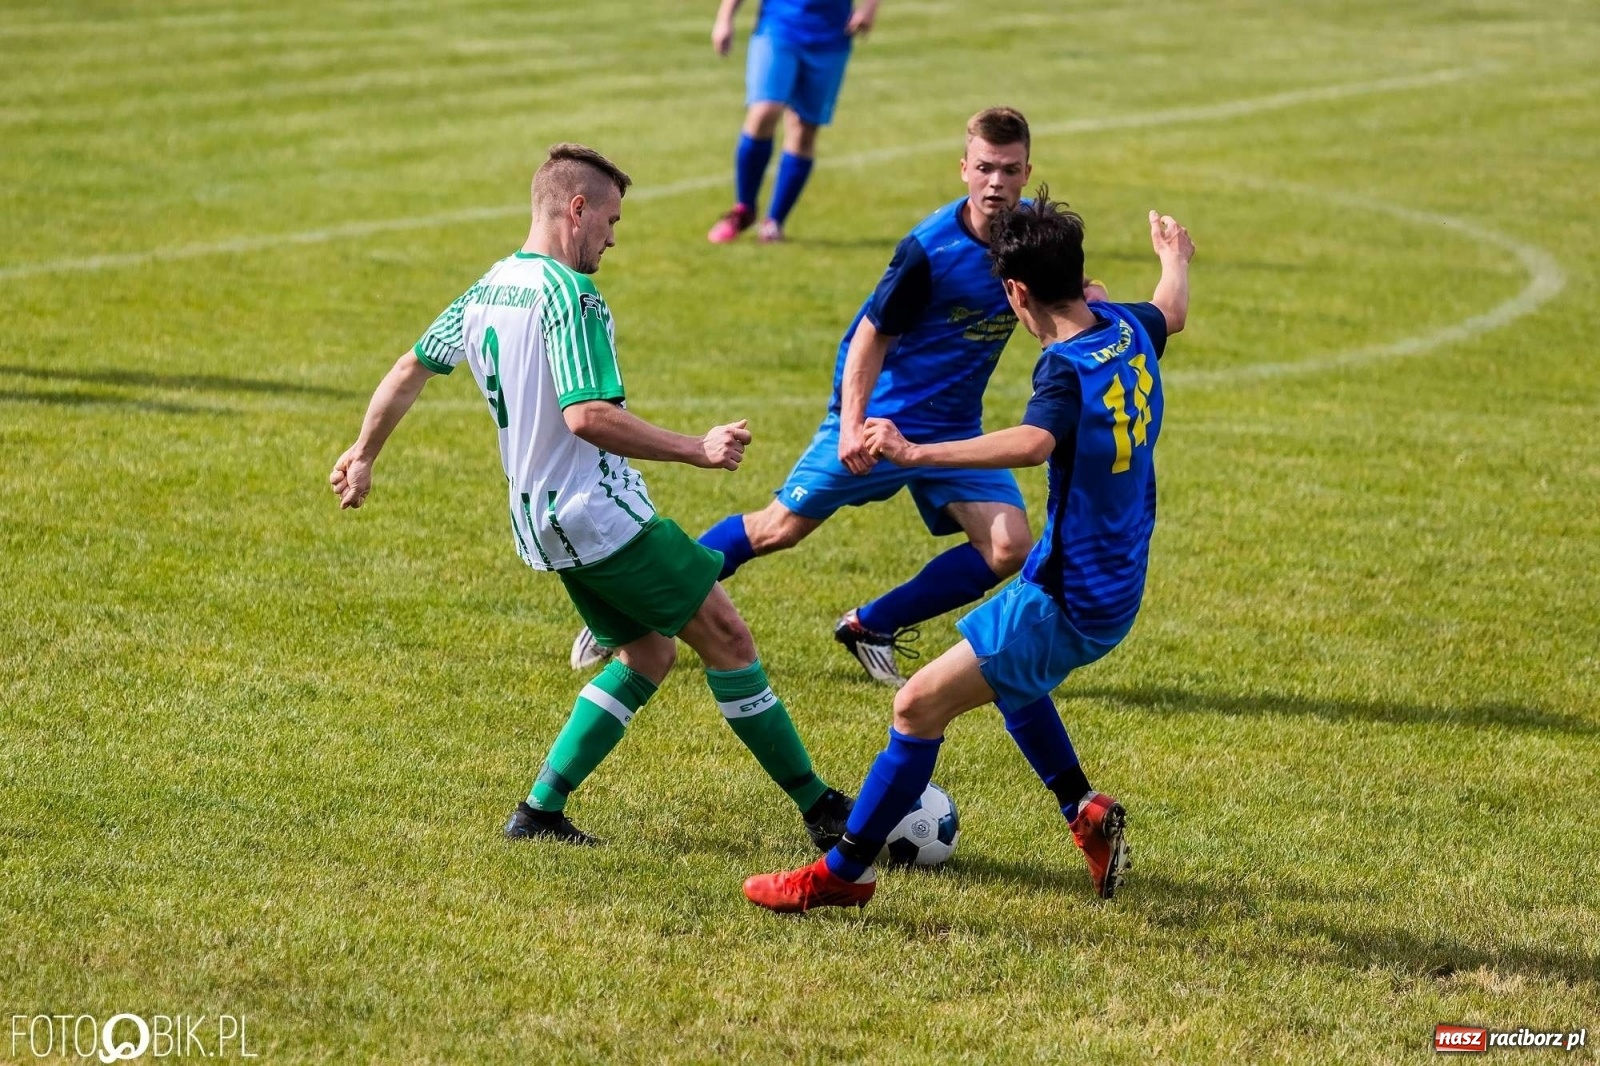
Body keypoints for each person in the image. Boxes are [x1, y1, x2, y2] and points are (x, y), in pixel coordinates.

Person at [329, 143, 852, 848]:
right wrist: (695, 448)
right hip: (596, 513)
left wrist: (363, 454)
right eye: (609, 220)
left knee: (648, 655)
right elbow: (588, 415)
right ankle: (824, 812)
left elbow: (410, 366)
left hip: (540, 522)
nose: (613, 237)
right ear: (575, 209)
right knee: (727, 639)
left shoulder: (489, 287)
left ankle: (539, 812)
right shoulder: (569, 296)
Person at [740, 194, 1196, 912]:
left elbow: (1035, 441)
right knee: (1012, 677)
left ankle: (841, 873)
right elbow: (1171, 309)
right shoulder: (1125, 326)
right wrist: (1175, 260)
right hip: (1108, 578)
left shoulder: (1065, 369)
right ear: (1081, 281)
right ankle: (1084, 811)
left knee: (917, 705)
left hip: (1069, 596)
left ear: (1015, 293)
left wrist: (916, 449)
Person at [573, 107, 1107, 686]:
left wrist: (1101, 302)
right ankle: (630, 608)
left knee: (1007, 546)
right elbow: (868, 342)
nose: (996, 184)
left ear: (1028, 171)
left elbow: (1073, 298)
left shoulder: (1032, 239)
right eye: (984, 168)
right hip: (881, 419)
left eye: (1008, 170)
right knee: (780, 528)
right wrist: (853, 425)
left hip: (953, 427)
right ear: (964, 169)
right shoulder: (929, 250)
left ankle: (869, 626)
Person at [706, 0, 882, 243]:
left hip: (832, 36)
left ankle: (773, 222)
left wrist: (869, 8)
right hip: (778, 28)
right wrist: (725, 18)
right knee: (764, 111)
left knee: (803, 129)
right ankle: (743, 209)